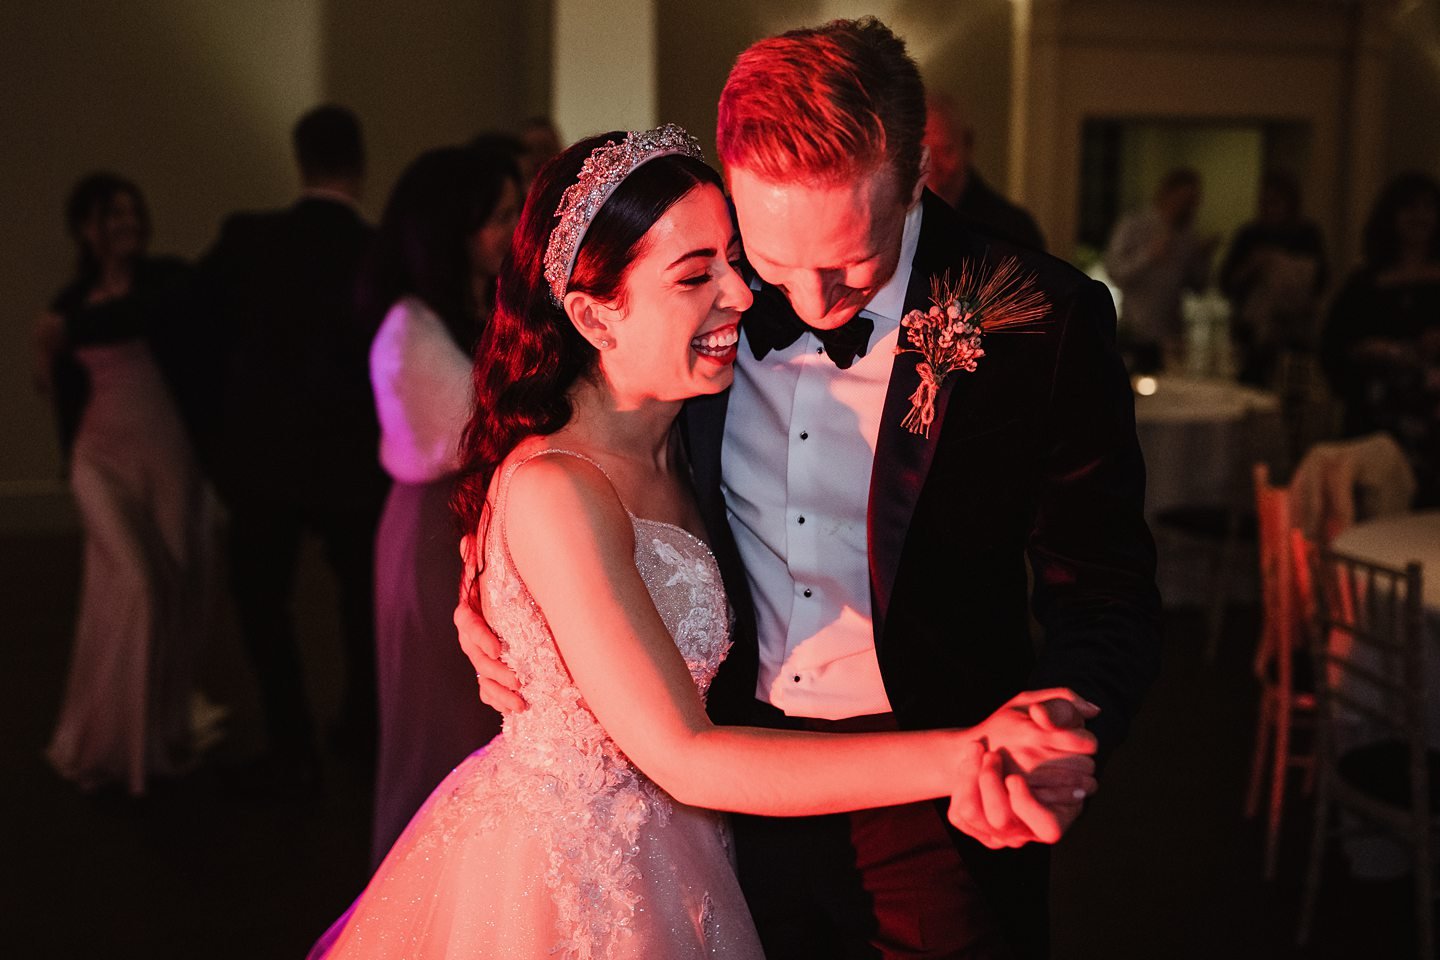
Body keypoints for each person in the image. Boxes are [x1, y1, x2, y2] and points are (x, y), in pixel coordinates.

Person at [310, 125, 1100, 960]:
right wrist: (968, 753)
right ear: (591, 313)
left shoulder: (688, 429)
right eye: (697, 275)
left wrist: (483, 574)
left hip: (699, 850)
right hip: (571, 880)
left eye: (735, 259)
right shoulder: (558, 488)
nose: (743, 294)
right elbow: (685, 755)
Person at [465, 18, 1161, 959]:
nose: (810, 301)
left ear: (920, 175)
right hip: (723, 804)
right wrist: (485, 581)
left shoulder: (1040, 319)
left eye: (853, 264)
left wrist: (1055, 736)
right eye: (774, 258)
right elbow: (571, 449)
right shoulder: (703, 302)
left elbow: (1107, 591)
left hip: (939, 800)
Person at [194, 104, 388, 786]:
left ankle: (290, 735)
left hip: (264, 457)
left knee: (262, 599)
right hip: (351, 458)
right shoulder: (377, 252)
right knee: (361, 603)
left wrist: (214, 433)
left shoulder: (249, 241)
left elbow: (192, 330)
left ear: (299, 159)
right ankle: (363, 727)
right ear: (359, 166)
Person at [364, 144, 522, 863]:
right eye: (497, 217)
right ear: (449, 229)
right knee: (439, 729)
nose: (513, 229)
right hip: (432, 536)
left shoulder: (476, 311)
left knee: (479, 729)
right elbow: (482, 433)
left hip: (467, 525)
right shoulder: (409, 327)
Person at [37, 173, 207, 795]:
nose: (126, 224)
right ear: (87, 226)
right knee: (133, 581)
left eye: (133, 212)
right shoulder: (67, 300)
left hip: (165, 451)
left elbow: (160, 315)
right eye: (112, 215)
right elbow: (57, 392)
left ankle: (159, 731)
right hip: (99, 455)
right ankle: (111, 740)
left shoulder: (161, 281)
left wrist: (66, 333)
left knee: (176, 584)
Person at [1320, 171, 1440, 506]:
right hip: (1378, 410)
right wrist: (1374, 351)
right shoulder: (1367, 281)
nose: (1420, 218)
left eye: (1428, 208)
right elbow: (1335, 343)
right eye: (1409, 209)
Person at [1218, 170, 1326, 387]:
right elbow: (1226, 283)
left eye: (1275, 202)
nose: (1269, 208)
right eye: (1265, 202)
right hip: (1252, 334)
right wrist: (1252, 267)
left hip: (1294, 331)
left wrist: (1283, 268)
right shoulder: (1249, 234)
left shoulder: (1306, 235)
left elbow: (1320, 281)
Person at [1104, 167, 1217, 372]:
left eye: (1191, 202)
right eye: (1182, 200)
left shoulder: (1188, 236)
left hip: (1171, 336)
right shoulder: (1134, 225)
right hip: (1136, 330)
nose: (1186, 207)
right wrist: (1148, 256)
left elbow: (1197, 287)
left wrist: (1204, 258)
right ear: (1167, 194)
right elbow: (1115, 271)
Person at [923, 90, 1045, 250]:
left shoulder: (1011, 230)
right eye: (922, 152)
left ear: (967, 146)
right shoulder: (897, 222)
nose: (932, 166)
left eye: (945, 151)